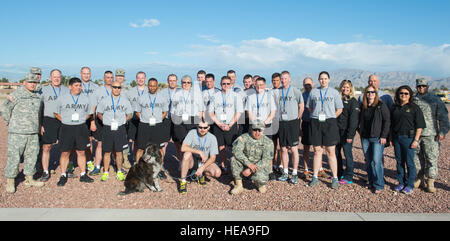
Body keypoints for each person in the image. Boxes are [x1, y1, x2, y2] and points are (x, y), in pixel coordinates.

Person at [1, 74, 44, 193]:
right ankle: (10, 181)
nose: (32, 84)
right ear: (24, 82)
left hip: (32, 132)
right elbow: (5, 109)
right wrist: (10, 122)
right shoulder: (16, 95)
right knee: (14, 156)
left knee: (32, 155)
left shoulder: (37, 96)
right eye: (30, 82)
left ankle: (29, 178)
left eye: (35, 82)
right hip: (17, 132)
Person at [54, 77, 94, 186]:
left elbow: (89, 113)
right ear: (70, 87)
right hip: (67, 127)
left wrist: (81, 120)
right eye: (76, 86)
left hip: (80, 127)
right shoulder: (62, 98)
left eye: (80, 85)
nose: (79, 88)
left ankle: (83, 174)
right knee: (65, 152)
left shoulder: (85, 98)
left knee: (81, 151)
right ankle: (63, 175)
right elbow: (56, 113)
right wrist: (65, 120)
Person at [306, 71, 343, 189]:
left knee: (330, 151)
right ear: (318, 80)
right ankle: (315, 177)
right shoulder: (314, 92)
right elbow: (310, 107)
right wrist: (317, 116)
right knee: (317, 150)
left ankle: (335, 178)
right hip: (316, 122)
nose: (323, 80)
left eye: (325, 78)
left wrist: (330, 117)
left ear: (329, 79)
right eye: (321, 79)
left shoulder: (334, 92)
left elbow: (339, 109)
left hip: (329, 122)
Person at [414, 78, 449, 192]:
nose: (421, 88)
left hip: (431, 135)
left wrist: (442, 131)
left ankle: (430, 181)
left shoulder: (435, 100)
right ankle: (419, 178)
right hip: (415, 135)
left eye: (424, 86)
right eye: (419, 86)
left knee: (431, 158)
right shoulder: (413, 99)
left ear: (427, 86)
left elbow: (443, 118)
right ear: (416, 87)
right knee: (416, 158)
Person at [391, 85, 426, 195]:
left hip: (409, 138)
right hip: (397, 137)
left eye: (406, 93)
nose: (403, 95)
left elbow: (419, 126)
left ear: (410, 95)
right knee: (399, 161)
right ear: (398, 94)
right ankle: (401, 182)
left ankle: (410, 185)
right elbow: (391, 125)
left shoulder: (414, 108)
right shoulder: (394, 107)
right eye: (401, 93)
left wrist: (416, 140)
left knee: (410, 162)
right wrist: (391, 138)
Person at [96, 81, 133, 181]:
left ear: (121, 89)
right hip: (108, 127)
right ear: (111, 88)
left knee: (119, 151)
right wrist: (103, 119)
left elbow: (130, 114)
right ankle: (106, 172)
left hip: (120, 128)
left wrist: (125, 120)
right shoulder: (104, 100)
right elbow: (99, 113)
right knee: (107, 151)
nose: (117, 89)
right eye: (115, 87)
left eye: (119, 87)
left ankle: (119, 171)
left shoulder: (125, 101)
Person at [272, 71, 304, 184]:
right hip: (282, 123)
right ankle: (285, 172)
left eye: (285, 78)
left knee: (294, 149)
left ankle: (294, 173)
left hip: (293, 123)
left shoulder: (295, 91)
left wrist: (297, 119)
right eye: (282, 79)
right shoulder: (277, 92)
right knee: (283, 148)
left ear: (289, 78)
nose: (283, 80)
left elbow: (301, 106)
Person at [39, 69, 69, 181]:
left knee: (65, 147)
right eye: (54, 77)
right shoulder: (43, 90)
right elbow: (39, 109)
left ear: (61, 78)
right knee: (47, 146)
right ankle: (45, 171)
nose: (56, 79)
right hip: (49, 120)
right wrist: (40, 124)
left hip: (63, 120)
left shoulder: (66, 90)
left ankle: (64, 171)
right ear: (50, 78)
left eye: (58, 77)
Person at [359, 85, 390, 193]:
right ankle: (372, 182)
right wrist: (360, 131)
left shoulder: (381, 105)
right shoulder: (363, 106)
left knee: (377, 161)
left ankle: (379, 184)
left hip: (377, 138)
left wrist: (384, 136)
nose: (370, 94)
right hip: (365, 138)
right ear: (365, 94)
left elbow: (387, 121)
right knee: (368, 161)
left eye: (372, 92)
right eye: (368, 92)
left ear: (376, 94)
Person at [209, 76, 243, 172]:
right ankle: (223, 165)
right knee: (221, 146)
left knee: (233, 147)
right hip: (218, 125)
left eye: (228, 83)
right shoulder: (215, 96)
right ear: (220, 84)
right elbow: (211, 113)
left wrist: (230, 125)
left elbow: (239, 112)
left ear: (231, 84)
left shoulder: (236, 96)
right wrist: (219, 124)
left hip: (230, 125)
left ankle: (235, 166)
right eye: (224, 83)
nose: (226, 85)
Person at [230, 121, 274, 194]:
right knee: (234, 159)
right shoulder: (243, 138)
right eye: (255, 130)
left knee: (262, 179)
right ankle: (238, 185)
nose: (257, 132)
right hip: (246, 164)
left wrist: (250, 170)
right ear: (251, 129)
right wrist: (249, 164)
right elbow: (236, 151)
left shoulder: (268, 142)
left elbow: (266, 160)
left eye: (259, 130)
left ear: (263, 130)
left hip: (259, 166)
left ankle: (260, 184)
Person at [178, 120, 221, 194]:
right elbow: (183, 148)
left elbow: (213, 158)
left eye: (205, 127)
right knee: (187, 154)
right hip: (192, 161)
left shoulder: (212, 138)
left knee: (217, 172)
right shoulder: (192, 133)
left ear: (208, 128)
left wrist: (203, 167)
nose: (202, 130)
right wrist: (199, 152)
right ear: (197, 126)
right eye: (200, 127)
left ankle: (200, 174)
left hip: (204, 162)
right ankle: (183, 181)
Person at [170, 75, 205, 159]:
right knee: (182, 143)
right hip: (180, 120)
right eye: (184, 82)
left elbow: (201, 109)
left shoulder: (197, 94)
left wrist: (199, 122)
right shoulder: (177, 94)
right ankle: (183, 163)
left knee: (193, 143)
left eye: (188, 82)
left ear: (191, 84)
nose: (186, 84)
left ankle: (194, 163)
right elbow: (173, 109)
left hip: (193, 120)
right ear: (181, 83)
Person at [135, 78, 169, 162]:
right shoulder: (141, 98)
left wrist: (159, 119)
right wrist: (144, 119)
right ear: (147, 86)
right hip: (144, 125)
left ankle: (160, 169)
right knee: (141, 148)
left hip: (157, 126)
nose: (152, 88)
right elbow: (137, 112)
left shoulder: (162, 98)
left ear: (157, 86)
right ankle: (137, 167)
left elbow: (165, 112)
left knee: (159, 149)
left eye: (154, 86)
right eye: (150, 86)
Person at [88, 71, 114, 175]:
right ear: (104, 78)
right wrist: (92, 122)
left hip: (114, 121)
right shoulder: (98, 91)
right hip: (101, 121)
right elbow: (93, 108)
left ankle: (115, 166)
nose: (110, 79)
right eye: (108, 77)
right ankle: (97, 166)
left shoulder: (116, 90)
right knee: (100, 144)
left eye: (111, 77)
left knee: (114, 144)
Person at [335, 80, 359, 184]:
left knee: (347, 153)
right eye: (344, 87)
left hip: (347, 131)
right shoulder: (338, 99)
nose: (345, 89)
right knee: (336, 152)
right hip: (336, 130)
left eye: (348, 88)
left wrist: (350, 135)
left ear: (351, 89)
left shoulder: (353, 101)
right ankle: (339, 173)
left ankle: (349, 176)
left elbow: (354, 120)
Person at [123, 71, 147, 168]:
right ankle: (134, 159)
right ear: (136, 79)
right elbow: (126, 105)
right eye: (139, 78)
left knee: (144, 141)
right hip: (134, 120)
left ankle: (144, 160)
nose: (140, 80)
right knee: (134, 141)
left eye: (142, 78)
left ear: (145, 79)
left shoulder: (149, 91)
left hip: (145, 120)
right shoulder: (130, 92)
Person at [80, 66, 99, 174]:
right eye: (84, 73)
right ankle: (71, 162)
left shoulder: (95, 87)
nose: (86, 75)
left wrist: (93, 120)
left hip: (91, 116)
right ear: (81, 74)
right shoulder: (77, 85)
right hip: (79, 116)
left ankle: (89, 160)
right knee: (75, 140)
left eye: (88, 73)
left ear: (90, 74)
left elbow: (96, 104)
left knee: (90, 139)